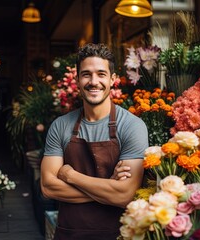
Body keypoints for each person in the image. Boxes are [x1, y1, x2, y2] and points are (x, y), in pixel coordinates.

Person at [40, 43, 149, 240]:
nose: (94, 81)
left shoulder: (132, 126)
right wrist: (109, 188)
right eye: (86, 74)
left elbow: (126, 195)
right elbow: (48, 187)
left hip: (118, 235)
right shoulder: (60, 126)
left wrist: (71, 175)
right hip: (69, 234)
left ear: (113, 79)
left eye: (101, 74)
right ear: (77, 80)